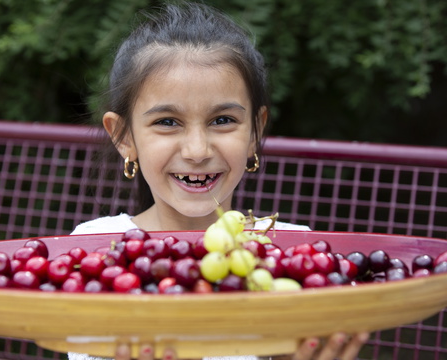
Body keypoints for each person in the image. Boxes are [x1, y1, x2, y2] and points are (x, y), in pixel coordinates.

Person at [69, 2, 369, 360]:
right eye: (167, 122)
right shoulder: (95, 254)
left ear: (255, 131)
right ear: (124, 137)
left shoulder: (295, 255)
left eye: (223, 120)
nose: (197, 150)